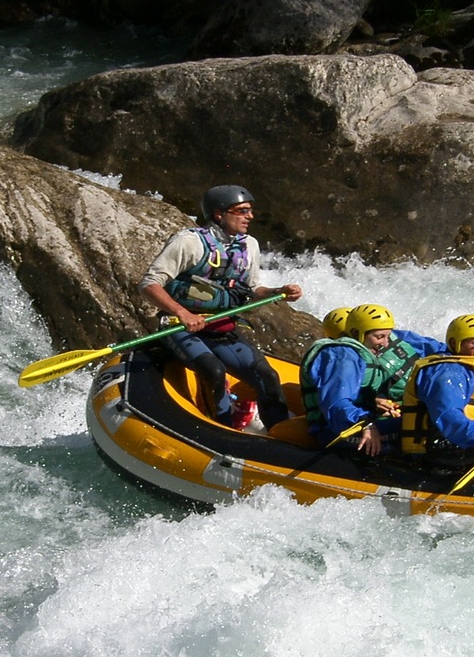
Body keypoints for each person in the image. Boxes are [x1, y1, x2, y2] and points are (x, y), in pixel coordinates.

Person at [139, 184, 301, 429]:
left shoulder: (249, 246)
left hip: (220, 327)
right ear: (219, 214)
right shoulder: (189, 242)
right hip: (180, 327)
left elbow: (254, 289)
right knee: (214, 371)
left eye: (250, 211)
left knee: (267, 375)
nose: (250, 217)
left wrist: (278, 292)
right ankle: (222, 428)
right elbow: (149, 284)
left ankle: (279, 433)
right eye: (242, 211)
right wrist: (182, 313)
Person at [398, 314, 474, 471]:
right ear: (455, 343)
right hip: (446, 449)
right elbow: (448, 417)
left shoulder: (471, 367)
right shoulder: (447, 373)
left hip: (469, 441)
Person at [298, 303, 414, 456]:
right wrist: (366, 423)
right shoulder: (343, 356)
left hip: (353, 424)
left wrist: (375, 403)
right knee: (416, 431)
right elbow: (336, 403)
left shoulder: (355, 353)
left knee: (415, 422)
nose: (386, 343)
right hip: (337, 431)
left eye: (387, 337)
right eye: (379, 337)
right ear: (356, 333)